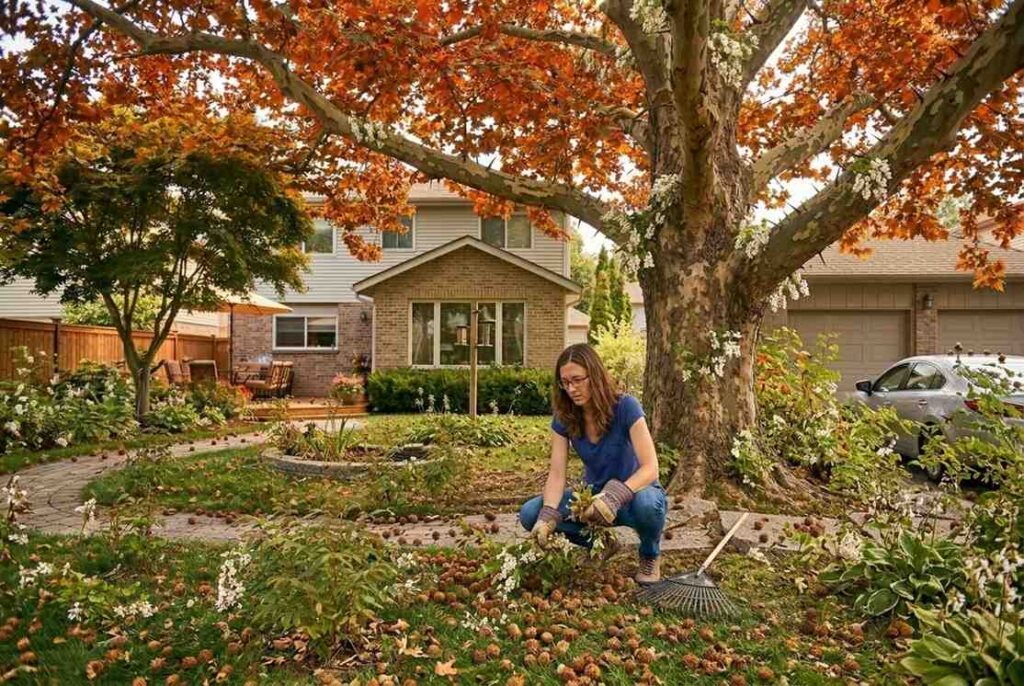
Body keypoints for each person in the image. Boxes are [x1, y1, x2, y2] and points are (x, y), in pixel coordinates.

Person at [518, 343, 669, 584]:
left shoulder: (626, 407)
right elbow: (557, 475)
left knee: (649, 505)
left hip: (634, 494)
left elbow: (651, 468)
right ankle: (603, 543)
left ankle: (650, 554)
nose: (571, 389)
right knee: (530, 514)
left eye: (577, 380)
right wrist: (547, 515)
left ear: (595, 376)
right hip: (592, 502)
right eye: (565, 383)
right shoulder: (565, 417)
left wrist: (615, 496)